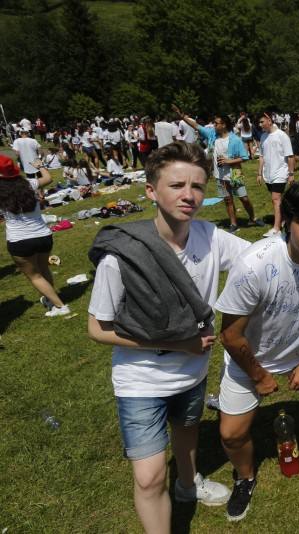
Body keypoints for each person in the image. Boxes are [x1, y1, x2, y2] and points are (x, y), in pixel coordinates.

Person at [86, 142, 248, 534]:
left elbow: (261, 257)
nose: (189, 195)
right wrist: (178, 344)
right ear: (150, 191)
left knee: (186, 433)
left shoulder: (211, 237)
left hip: (191, 374)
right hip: (140, 380)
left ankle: (188, 484)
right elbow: (97, 328)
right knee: (148, 477)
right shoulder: (122, 256)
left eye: (197, 185)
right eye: (176, 185)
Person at [213, 181, 299, 522]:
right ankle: (245, 477)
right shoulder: (253, 265)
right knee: (231, 434)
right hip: (251, 356)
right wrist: (258, 376)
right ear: (287, 221)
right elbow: (229, 335)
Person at [0, 156, 70, 317]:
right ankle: (51, 300)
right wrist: (40, 165)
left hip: (20, 240)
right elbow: (48, 178)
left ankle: (60, 306)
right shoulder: (27, 184)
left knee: (34, 276)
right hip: (43, 236)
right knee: (43, 269)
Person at [176, 108, 262, 233]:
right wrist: (182, 116)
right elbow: (196, 125)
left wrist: (228, 161)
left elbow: (244, 158)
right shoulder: (212, 135)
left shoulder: (235, 140)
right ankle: (233, 224)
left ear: (224, 125)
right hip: (220, 175)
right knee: (228, 200)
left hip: (234, 174)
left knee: (244, 198)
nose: (214, 125)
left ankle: (253, 218)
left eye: (216, 123)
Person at [258, 112, 295, 236]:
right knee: (277, 200)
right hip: (268, 175)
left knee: (275, 199)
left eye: (262, 122)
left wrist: (291, 174)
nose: (260, 125)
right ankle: (285, 218)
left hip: (280, 172)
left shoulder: (282, 136)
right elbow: (261, 157)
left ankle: (276, 228)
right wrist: (259, 173)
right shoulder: (263, 136)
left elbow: (290, 156)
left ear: (269, 120)